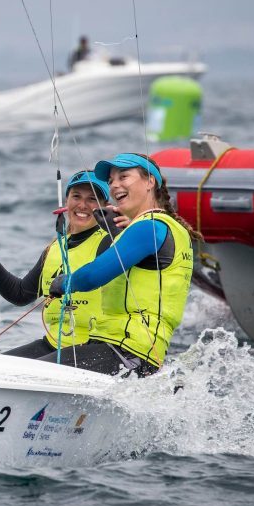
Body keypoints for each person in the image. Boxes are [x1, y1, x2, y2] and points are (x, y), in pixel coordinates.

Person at [48, 153, 201, 378]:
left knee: (26, 373)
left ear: (150, 181)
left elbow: (92, 276)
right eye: (111, 180)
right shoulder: (159, 227)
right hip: (126, 351)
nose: (114, 185)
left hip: (126, 352)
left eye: (124, 176)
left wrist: (63, 283)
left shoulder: (149, 227)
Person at [0, 171, 115, 359]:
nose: (82, 205)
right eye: (76, 196)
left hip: (93, 347)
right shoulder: (55, 248)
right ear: (66, 202)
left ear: (105, 207)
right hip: (54, 344)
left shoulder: (111, 242)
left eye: (92, 199)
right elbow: (20, 294)